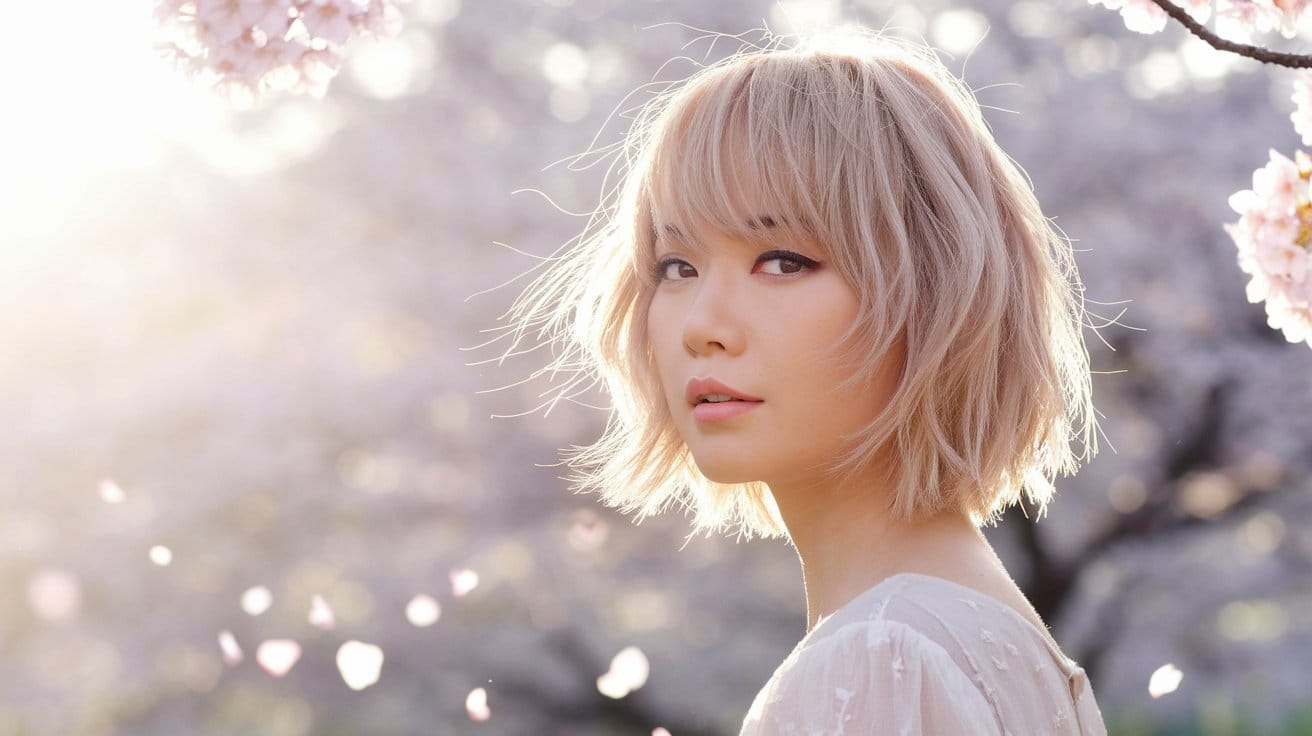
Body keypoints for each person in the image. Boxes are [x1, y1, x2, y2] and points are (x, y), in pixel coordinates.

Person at [490, 25, 1108, 735]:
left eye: (783, 261)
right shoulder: (997, 641)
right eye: (676, 266)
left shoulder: (879, 661)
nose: (703, 324)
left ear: (936, 289)